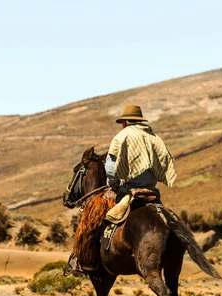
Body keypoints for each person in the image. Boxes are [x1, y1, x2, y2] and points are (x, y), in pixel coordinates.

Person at [69, 104, 176, 273]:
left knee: (94, 219)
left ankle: (86, 261)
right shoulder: (154, 137)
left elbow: (111, 169)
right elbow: (165, 162)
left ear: (125, 122)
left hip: (127, 191)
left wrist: (112, 183)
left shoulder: (122, 136)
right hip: (151, 191)